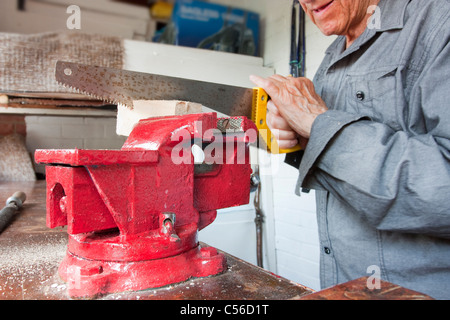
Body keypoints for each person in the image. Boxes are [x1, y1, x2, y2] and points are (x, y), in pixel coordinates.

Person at [250, 0, 450, 299]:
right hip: (343, 285)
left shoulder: (438, 21)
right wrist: (301, 139)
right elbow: (330, 150)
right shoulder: (333, 55)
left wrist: (319, 124)